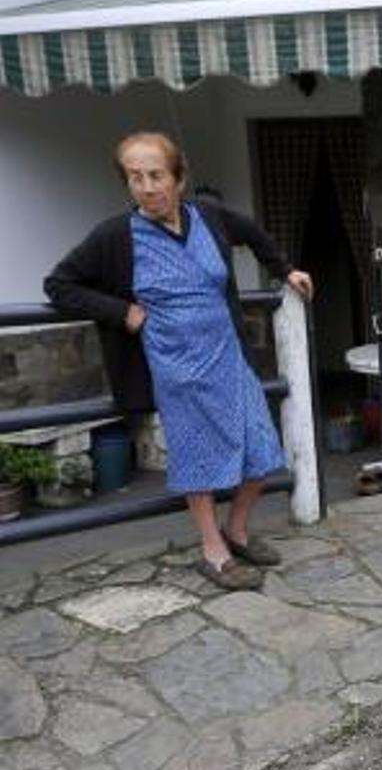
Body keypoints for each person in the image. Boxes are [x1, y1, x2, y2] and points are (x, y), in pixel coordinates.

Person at [44, 132, 314, 590]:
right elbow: (60, 285)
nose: (147, 187)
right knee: (199, 458)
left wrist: (285, 269)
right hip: (176, 368)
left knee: (263, 449)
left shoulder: (208, 216)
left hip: (228, 356)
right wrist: (122, 312)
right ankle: (213, 552)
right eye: (135, 177)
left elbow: (254, 233)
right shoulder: (116, 235)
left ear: (178, 178)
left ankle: (237, 530)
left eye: (156, 175)